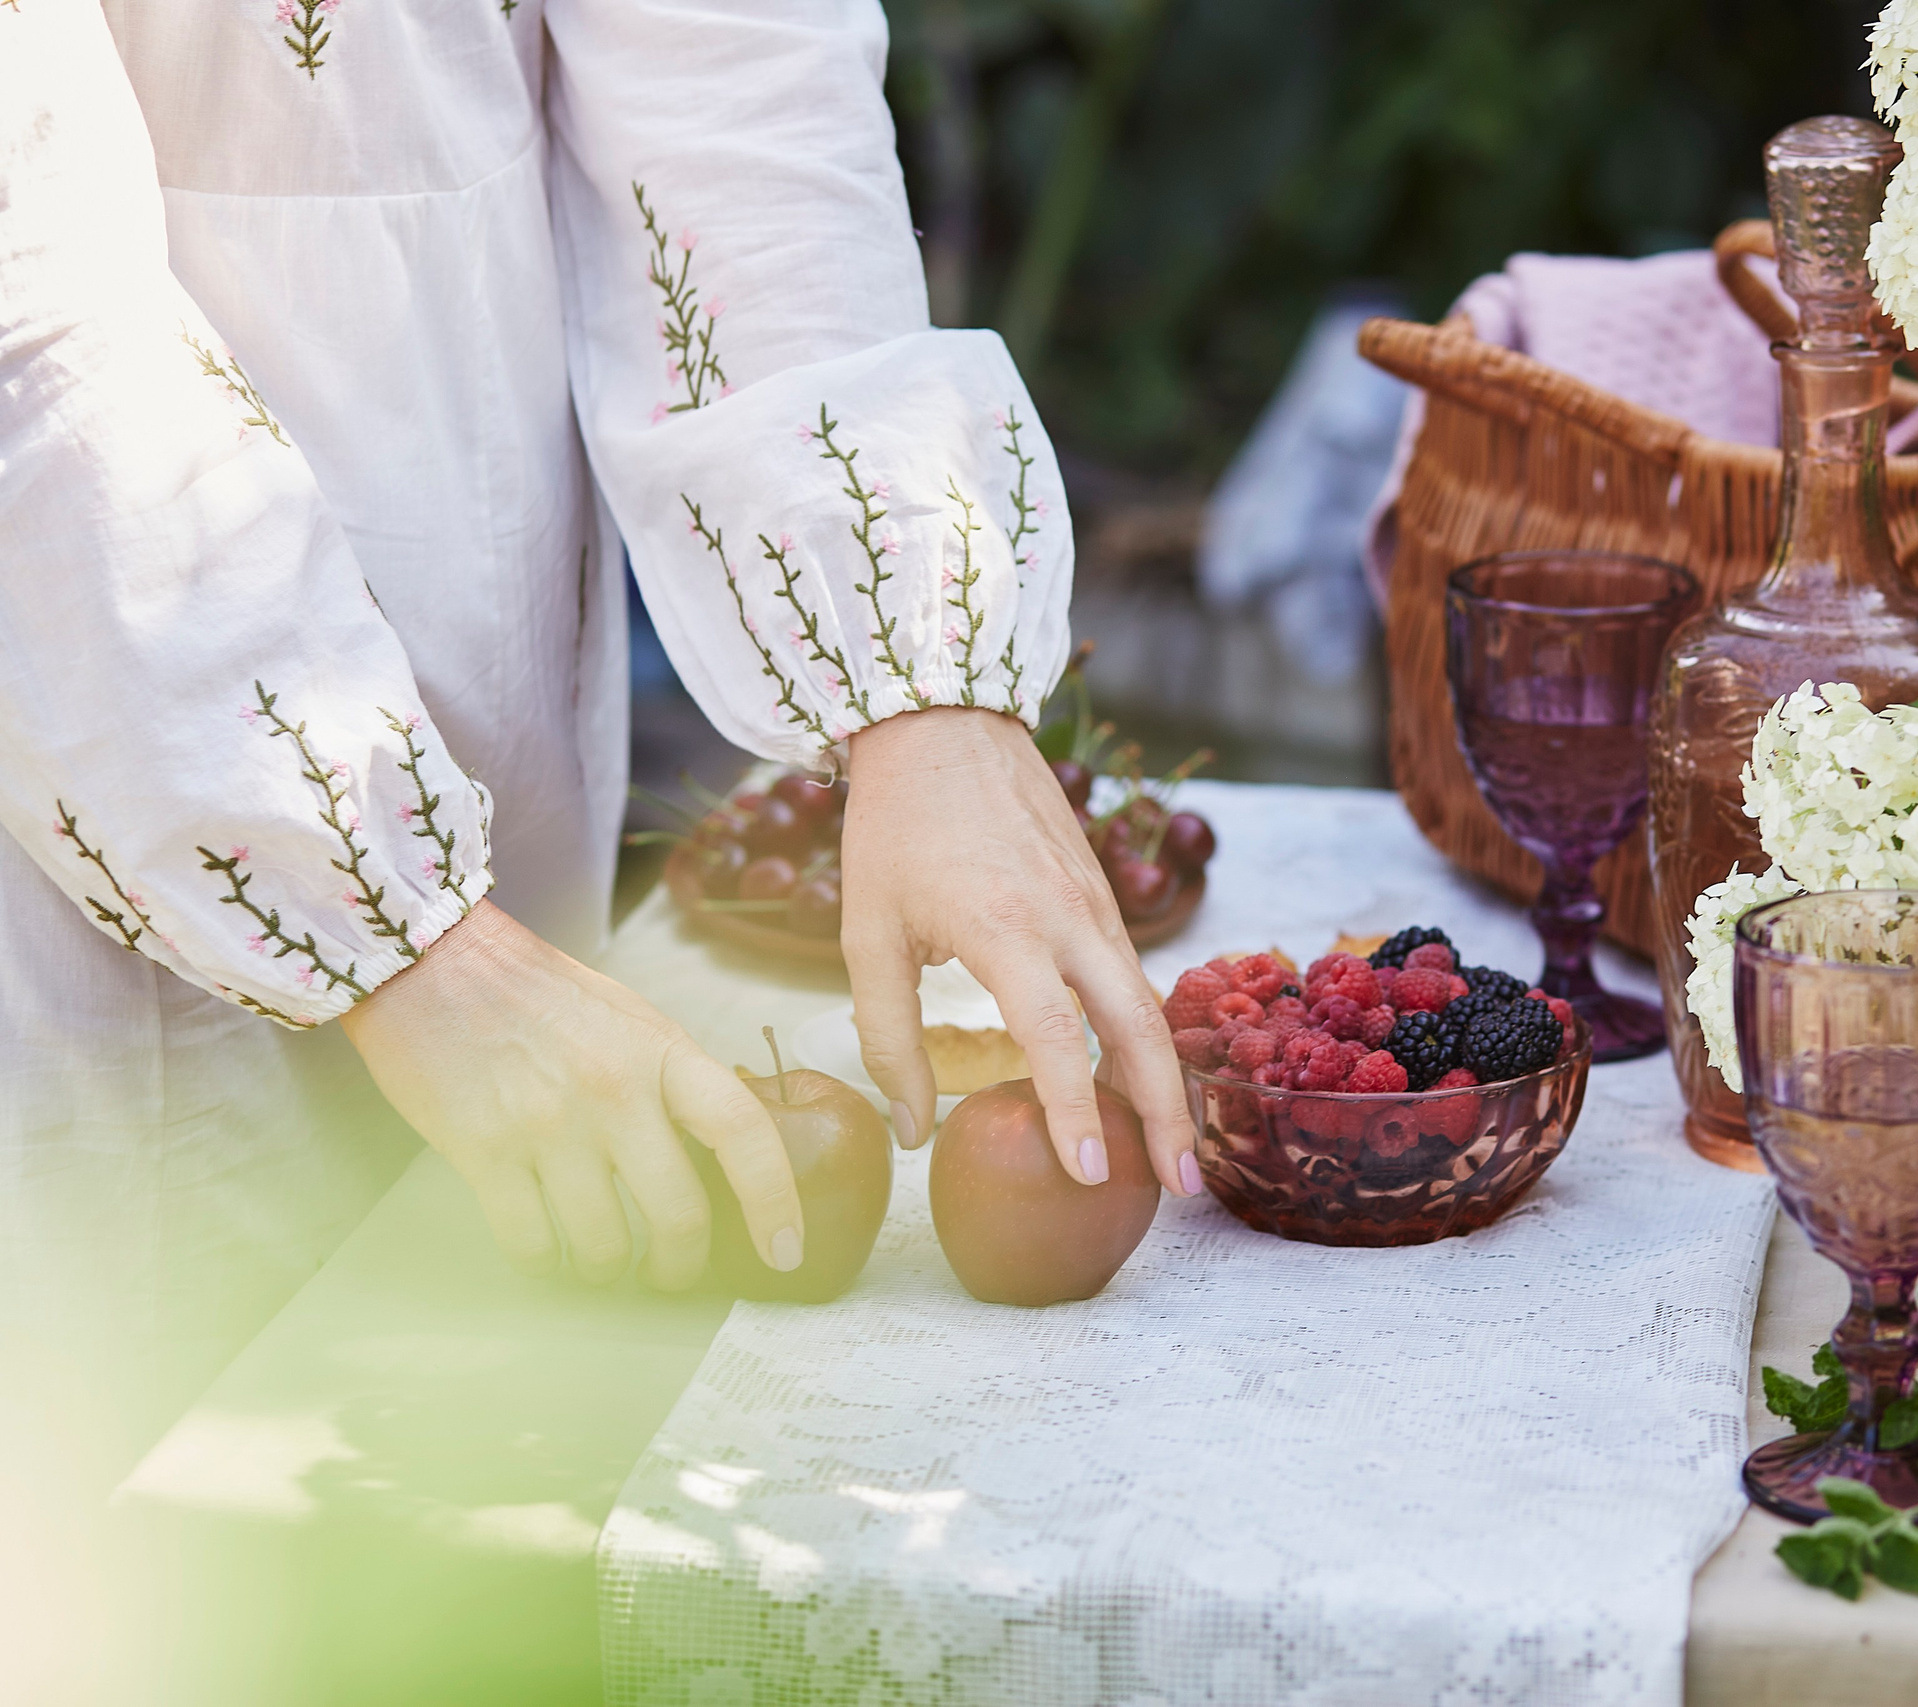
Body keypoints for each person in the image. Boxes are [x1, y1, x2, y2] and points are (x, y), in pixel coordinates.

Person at [0, 0, 1194, 1572]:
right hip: (68, 724)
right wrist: (376, 899)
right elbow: (34, 319)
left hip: (479, 721)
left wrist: (922, 685)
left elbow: (738, 72)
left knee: (454, 1527)